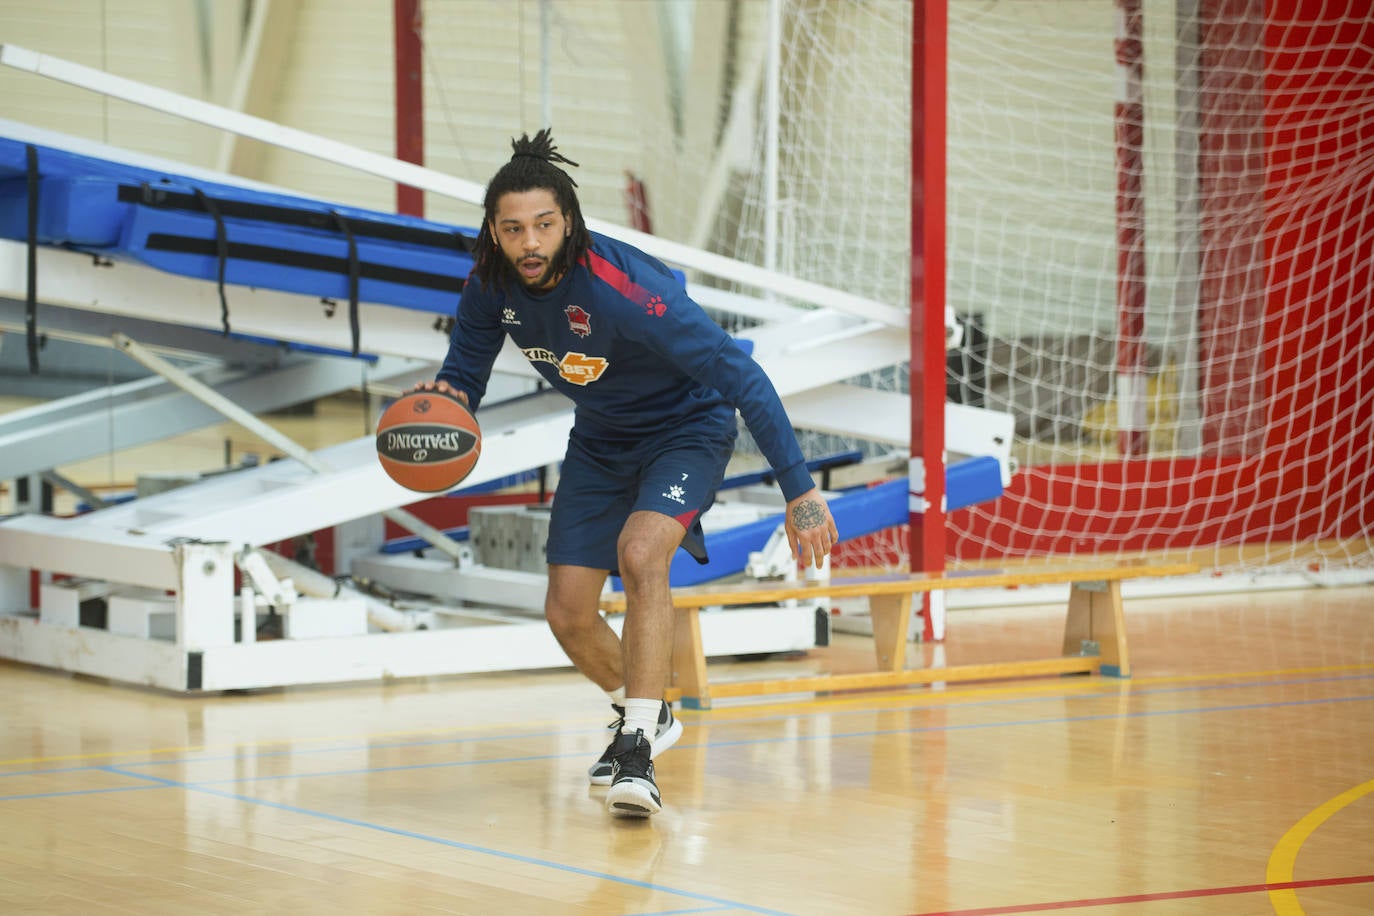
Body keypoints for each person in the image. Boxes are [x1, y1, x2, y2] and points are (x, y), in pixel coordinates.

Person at [417, 129, 838, 818]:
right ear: (493, 233)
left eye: (544, 226)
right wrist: (443, 410)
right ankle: (649, 711)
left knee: (641, 553)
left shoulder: (626, 290)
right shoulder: (490, 283)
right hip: (601, 438)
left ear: (569, 224)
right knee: (568, 614)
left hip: (687, 428)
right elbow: (464, 374)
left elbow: (744, 376)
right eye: (513, 228)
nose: (530, 242)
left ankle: (636, 746)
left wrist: (800, 490)